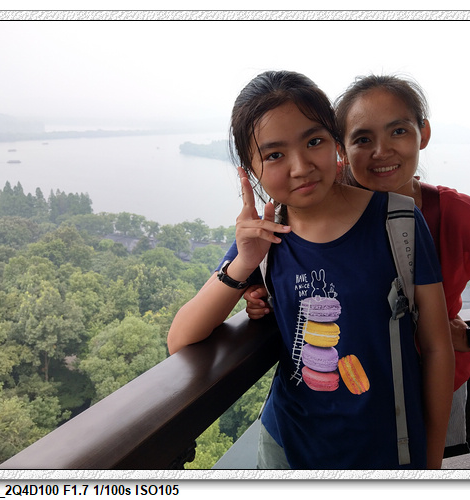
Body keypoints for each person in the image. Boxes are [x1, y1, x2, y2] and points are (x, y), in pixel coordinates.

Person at [240, 74, 470, 454]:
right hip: (354, 400)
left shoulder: (451, 212)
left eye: (398, 131)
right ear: (341, 148)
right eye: (363, 139)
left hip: (433, 386)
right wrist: (260, 292)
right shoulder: (318, 212)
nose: (381, 151)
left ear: (422, 134)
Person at [167, 70, 454, 469]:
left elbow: (438, 348)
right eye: (274, 155)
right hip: (288, 446)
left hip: (385, 446)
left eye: (314, 141)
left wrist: (432, 461)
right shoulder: (265, 237)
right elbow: (181, 338)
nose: (300, 166)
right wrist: (244, 263)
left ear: (336, 142)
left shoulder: (397, 221)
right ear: (250, 170)